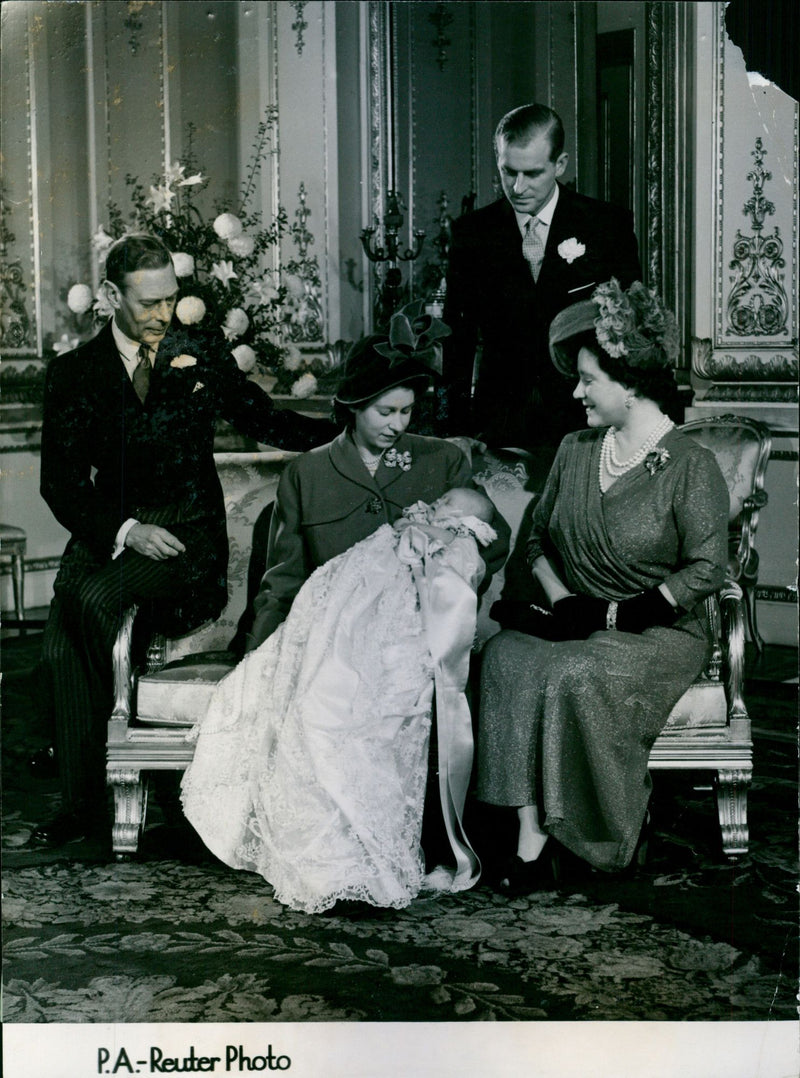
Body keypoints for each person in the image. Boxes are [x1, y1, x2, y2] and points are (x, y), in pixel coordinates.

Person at [30, 233, 335, 848]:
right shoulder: (74, 373)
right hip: (116, 537)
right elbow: (58, 484)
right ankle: (88, 806)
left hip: (188, 537)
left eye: (172, 299)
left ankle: (133, 790)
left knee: (85, 605)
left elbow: (260, 416)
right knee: (60, 642)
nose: (164, 315)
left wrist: (349, 426)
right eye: (148, 304)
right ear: (111, 296)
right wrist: (124, 531)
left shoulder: (199, 347)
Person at [476, 279, 729, 896]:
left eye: (588, 379)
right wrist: (562, 599)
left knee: (576, 670)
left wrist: (621, 613)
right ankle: (529, 833)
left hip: (659, 634)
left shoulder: (690, 464)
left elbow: (706, 569)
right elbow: (535, 541)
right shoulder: (575, 448)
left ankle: (590, 835)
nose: (576, 390)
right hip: (573, 618)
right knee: (506, 657)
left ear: (629, 382)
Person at [181, 485, 499, 913]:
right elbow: (309, 576)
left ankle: (362, 862)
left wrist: (429, 541)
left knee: (358, 727)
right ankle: (327, 862)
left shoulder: (451, 532)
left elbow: (454, 592)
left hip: (398, 646)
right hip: (340, 630)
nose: (433, 503)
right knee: (317, 711)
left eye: (445, 506)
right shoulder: (310, 474)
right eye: (385, 412)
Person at [439, 102, 641, 450]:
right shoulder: (472, 233)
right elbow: (457, 341)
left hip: (584, 418)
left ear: (559, 164)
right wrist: (451, 432)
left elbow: (631, 333)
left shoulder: (607, 226)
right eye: (507, 171)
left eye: (532, 174)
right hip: (498, 420)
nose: (517, 188)